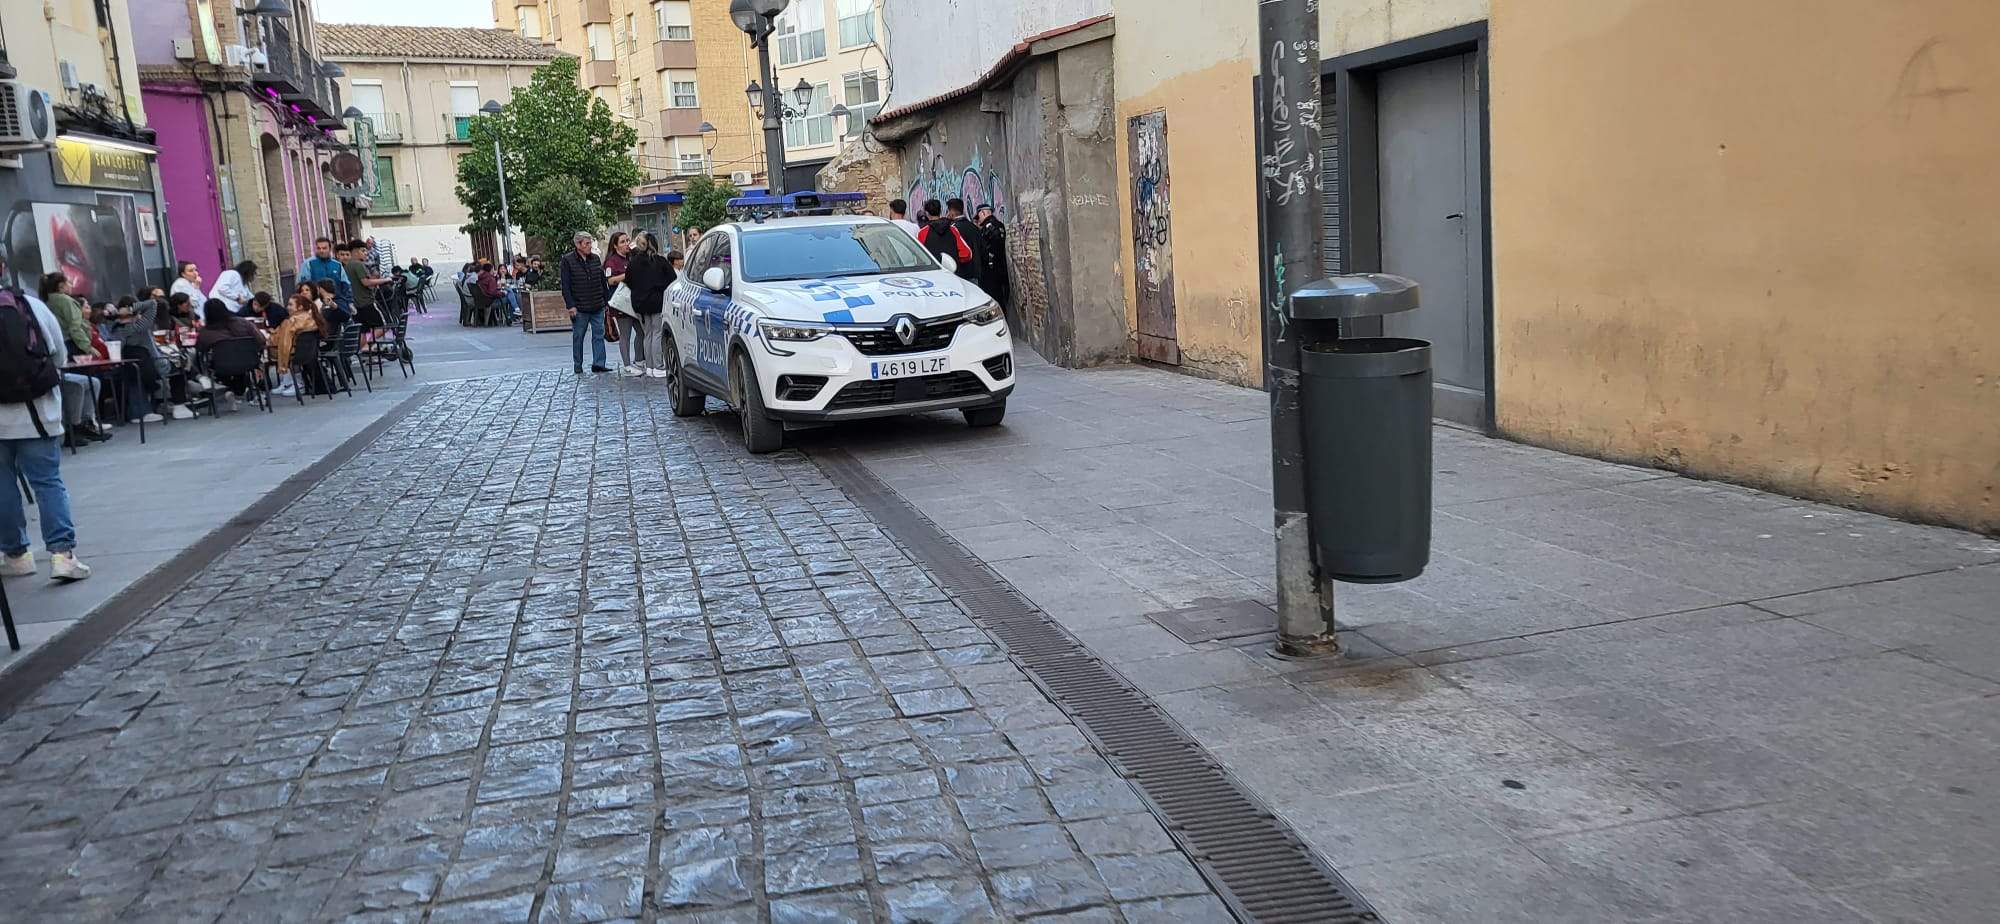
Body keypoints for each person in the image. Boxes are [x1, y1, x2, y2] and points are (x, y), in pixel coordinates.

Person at [0, 262, 91, 583]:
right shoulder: (29, 304)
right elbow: (58, 354)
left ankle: (16, 555)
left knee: (2, 486)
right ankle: (62, 555)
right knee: (48, 483)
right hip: (37, 413)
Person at [623, 234, 677, 379]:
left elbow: (628, 281)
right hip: (657, 301)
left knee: (647, 334)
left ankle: (650, 366)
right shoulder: (660, 261)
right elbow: (673, 279)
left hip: (640, 303)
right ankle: (658, 366)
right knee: (657, 333)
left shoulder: (633, 262)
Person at [559, 231, 609, 373]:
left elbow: (602, 280)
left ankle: (599, 363)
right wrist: (571, 305)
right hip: (580, 306)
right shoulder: (568, 260)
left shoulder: (595, 259)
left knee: (599, 335)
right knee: (578, 337)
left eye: (590, 243)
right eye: (586, 244)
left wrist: (606, 301)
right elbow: (565, 285)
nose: (589, 246)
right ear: (578, 244)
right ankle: (578, 365)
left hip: (597, 304)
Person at [269, 294, 331, 397]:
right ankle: (291, 381)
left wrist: (282, 366)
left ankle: (292, 381)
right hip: (310, 353)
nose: (287, 307)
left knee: (269, 351)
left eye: (290, 305)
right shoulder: (313, 317)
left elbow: (284, 343)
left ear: (300, 307)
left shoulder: (290, 321)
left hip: (295, 354)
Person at [604, 231, 640, 375]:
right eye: (622, 242)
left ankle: (639, 359)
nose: (626, 244)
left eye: (627, 241)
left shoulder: (631, 257)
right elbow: (610, 280)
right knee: (625, 334)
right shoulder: (611, 261)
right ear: (615, 245)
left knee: (642, 332)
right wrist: (627, 275)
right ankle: (627, 364)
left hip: (635, 300)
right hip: (621, 303)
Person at [38, 273, 92, 359]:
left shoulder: (46, 302)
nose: (71, 286)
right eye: (69, 283)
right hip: (74, 345)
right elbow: (75, 328)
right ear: (61, 286)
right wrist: (88, 348)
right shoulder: (66, 301)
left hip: (57, 344)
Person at [916, 199, 974, 269]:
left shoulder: (922, 232)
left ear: (927, 213)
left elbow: (919, 257)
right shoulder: (953, 229)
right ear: (940, 211)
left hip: (932, 272)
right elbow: (966, 254)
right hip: (951, 272)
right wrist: (953, 262)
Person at [975, 204, 1011, 306]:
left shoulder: (989, 227)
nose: (978, 220)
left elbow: (993, 246)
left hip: (992, 269)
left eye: (978, 216)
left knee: (994, 297)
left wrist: (988, 258)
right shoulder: (999, 225)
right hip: (1000, 267)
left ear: (983, 213)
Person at [343, 239, 384, 330]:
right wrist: (384, 280)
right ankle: (370, 339)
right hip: (365, 302)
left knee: (362, 331)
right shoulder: (358, 264)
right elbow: (366, 282)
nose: (366, 253)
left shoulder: (347, 266)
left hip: (355, 303)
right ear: (355, 252)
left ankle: (366, 340)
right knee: (381, 328)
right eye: (363, 251)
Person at [945, 199, 987, 283]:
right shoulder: (974, 227)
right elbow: (983, 249)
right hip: (975, 272)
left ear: (952, 211)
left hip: (962, 273)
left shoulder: (953, 229)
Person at [302, 237, 351, 306]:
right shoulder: (308, 264)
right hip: (317, 304)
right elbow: (303, 285)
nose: (321, 251)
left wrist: (349, 302)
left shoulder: (337, 265)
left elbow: (346, 285)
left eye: (324, 248)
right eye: (319, 248)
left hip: (338, 303)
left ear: (330, 249)